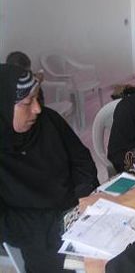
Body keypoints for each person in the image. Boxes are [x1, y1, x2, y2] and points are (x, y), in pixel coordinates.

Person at [0, 64, 99, 272]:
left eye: (38, 98)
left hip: (80, 213)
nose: (37, 109)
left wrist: (83, 196)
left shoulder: (49, 121)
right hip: (39, 238)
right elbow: (5, 222)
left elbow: (81, 160)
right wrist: (57, 223)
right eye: (27, 103)